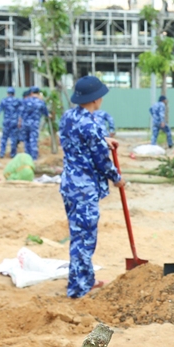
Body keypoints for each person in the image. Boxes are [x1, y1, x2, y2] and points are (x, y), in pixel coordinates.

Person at [59, 76, 125, 298]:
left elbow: (80, 139)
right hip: (84, 189)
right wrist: (117, 178)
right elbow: (102, 160)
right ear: (96, 100)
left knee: (78, 235)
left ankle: (85, 279)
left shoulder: (68, 117)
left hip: (69, 185)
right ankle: (77, 288)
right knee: (84, 239)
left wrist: (102, 139)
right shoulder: (92, 123)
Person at [19, 87, 50, 160]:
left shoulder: (25, 101)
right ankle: (34, 158)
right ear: (38, 93)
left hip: (25, 123)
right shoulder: (41, 102)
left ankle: (27, 157)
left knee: (26, 140)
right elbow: (46, 113)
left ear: (31, 93)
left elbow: (20, 113)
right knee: (33, 140)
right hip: (34, 124)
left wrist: (20, 122)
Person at [0, 87, 22, 159]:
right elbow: (21, 111)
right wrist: (20, 121)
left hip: (6, 122)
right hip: (14, 122)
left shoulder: (4, 101)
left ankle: (2, 153)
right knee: (14, 138)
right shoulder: (17, 101)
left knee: (4, 138)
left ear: (7, 93)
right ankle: (13, 154)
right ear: (14, 94)